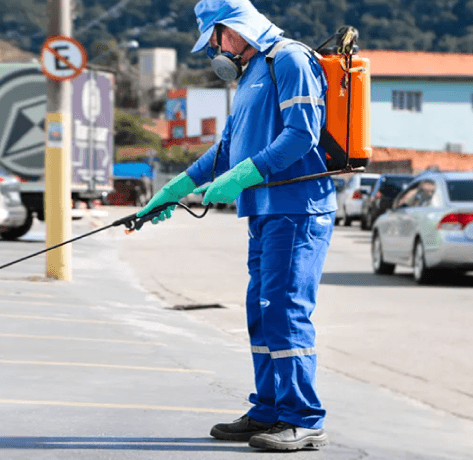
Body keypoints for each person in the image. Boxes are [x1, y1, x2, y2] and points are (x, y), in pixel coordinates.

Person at [136, 0, 336, 451]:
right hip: (265, 212)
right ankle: (269, 409)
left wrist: (245, 176)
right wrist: (175, 188)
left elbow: (303, 133)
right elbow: (225, 150)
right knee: (262, 313)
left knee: (285, 311)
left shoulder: (289, 59)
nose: (212, 48)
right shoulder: (252, 74)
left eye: (214, 37)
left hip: (297, 208)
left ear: (234, 29)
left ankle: (304, 418)